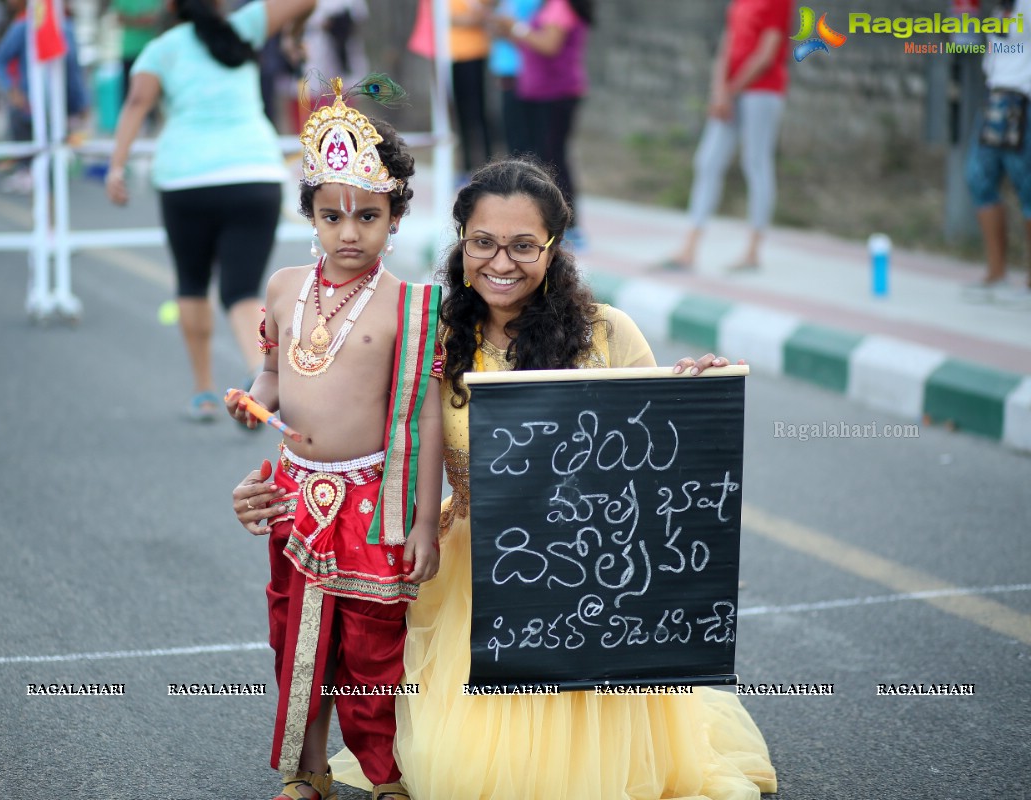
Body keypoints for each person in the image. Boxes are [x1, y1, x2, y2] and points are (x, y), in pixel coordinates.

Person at [237, 157, 776, 800]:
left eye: (524, 245)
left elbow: (653, 453)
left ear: (554, 248)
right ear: (461, 242)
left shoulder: (607, 333)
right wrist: (267, 483)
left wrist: (694, 389)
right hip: (471, 570)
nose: (501, 262)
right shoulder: (427, 333)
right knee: (453, 762)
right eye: (483, 242)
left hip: (583, 580)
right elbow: (338, 427)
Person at [226, 78, 443, 800]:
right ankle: (307, 770)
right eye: (331, 216)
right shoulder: (286, 288)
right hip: (293, 493)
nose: (349, 233)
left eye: (368, 217)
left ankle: (385, 776)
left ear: (395, 219)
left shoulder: (411, 309)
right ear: (312, 217)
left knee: (373, 649)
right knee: (296, 643)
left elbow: (426, 417)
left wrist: (421, 521)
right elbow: (269, 376)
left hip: (370, 497)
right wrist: (250, 404)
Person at [106, 0, 315, 421]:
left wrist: (116, 166)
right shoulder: (246, 26)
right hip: (254, 173)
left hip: (187, 179)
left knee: (192, 284)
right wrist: (293, 35)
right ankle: (261, 380)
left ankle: (203, 392)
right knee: (241, 291)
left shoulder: (160, 49)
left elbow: (136, 103)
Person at [665, 0, 791, 273]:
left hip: (762, 90)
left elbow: (767, 53)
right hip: (730, 92)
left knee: (756, 162)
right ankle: (689, 248)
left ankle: (753, 251)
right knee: (708, 161)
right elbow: (728, 42)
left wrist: (731, 91)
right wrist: (719, 90)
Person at [493, 0, 592, 247]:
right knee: (537, 159)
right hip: (537, 94)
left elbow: (549, 45)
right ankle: (542, 220)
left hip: (556, 95)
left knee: (553, 159)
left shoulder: (560, 6)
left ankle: (571, 226)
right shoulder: (547, 7)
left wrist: (516, 28)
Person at [963, 0, 1031, 308]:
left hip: (1024, 102)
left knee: (1026, 186)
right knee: (978, 177)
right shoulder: (1000, 8)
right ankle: (996, 272)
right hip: (996, 98)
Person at [0, 0, 89, 194]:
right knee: (33, 167)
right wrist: (12, 90)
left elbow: (74, 71)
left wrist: (81, 104)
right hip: (28, 110)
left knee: (53, 177)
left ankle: (51, 214)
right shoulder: (24, 27)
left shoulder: (66, 29)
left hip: (58, 110)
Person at [409, 0, 496, 178]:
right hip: (447, 55)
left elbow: (482, 13)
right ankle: (466, 166)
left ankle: (488, 165)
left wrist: (456, 20)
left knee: (477, 113)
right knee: (458, 114)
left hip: (472, 53)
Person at [487, 0, 540, 158]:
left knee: (523, 135)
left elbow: (532, 36)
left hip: (521, 70)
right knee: (512, 131)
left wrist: (507, 28)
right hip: (506, 69)